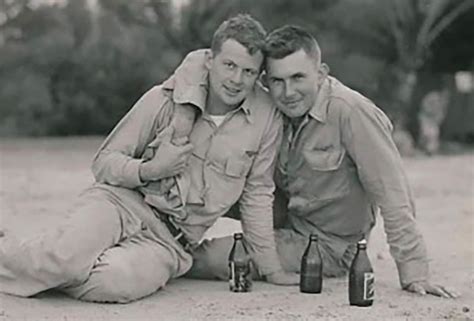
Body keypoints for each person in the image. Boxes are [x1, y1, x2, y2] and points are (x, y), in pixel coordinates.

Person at [0, 14, 298, 304]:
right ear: (210, 60)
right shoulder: (164, 99)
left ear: (258, 75)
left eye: (248, 72)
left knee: (113, 282)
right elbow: (104, 163)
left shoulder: (265, 120)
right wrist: (150, 169)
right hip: (119, 202)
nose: (236, 80)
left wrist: (270, 267)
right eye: (229, 65)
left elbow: (257, 194)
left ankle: (48, 266)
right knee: (65, 258)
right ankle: (34, 257)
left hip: (170, 242)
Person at [186, 25, 457, 298]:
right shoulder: (272, 108)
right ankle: (158, 233)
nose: (288, 92)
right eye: (277, 81)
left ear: (321, 73)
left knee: (210, 258)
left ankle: (167, 257)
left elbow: (393, 193)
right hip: (286, 214)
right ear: (266, 81)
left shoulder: (351, 112)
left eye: (298, 78)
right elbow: (204, 66)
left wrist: (414, 271)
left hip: (329, 245)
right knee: (210, 177)